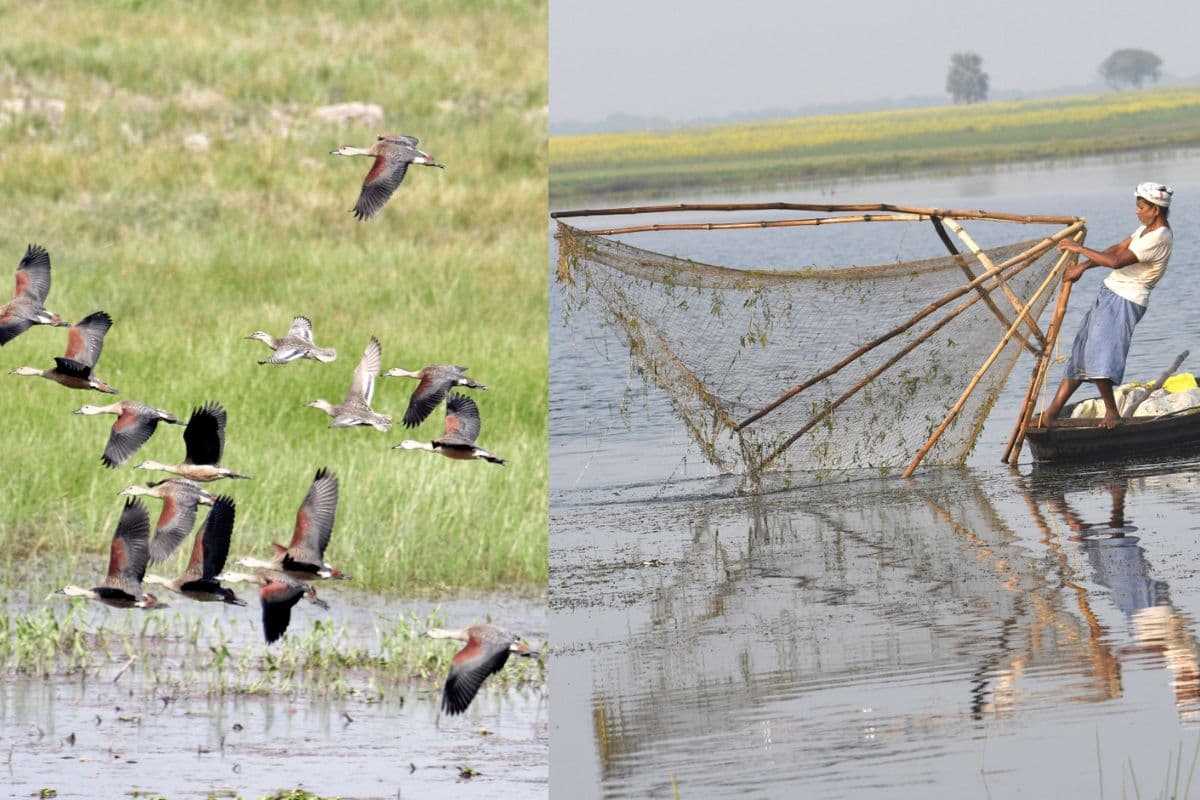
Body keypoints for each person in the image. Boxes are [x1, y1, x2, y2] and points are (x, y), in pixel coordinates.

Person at [1042, 181, 1174, 429]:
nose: (1137, 211)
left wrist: (1079, 248)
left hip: (1125, 300)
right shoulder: (1145, 230)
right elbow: (1117, 249)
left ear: (1155, 210)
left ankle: (1112, 413)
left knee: (1099, 355)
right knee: (1081, 355)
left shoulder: (1159, 237)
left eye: (1141, 207)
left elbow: (1115, 261)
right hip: (1109, 293)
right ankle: (1051, 415)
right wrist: (1082, 266)